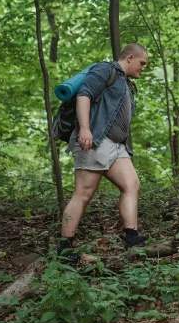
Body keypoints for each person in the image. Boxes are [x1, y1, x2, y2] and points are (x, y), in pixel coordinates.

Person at [57, 43, 148, 262]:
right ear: (129, 58)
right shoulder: (104, 70)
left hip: (117, 146)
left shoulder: (125, 82)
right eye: (142, 63)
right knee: (83, 193)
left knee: (131, 184)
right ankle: (65, 247)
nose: (143, 68)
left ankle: (131, 238)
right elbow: (84, 95)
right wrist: (86, 129)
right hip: (96, 140)